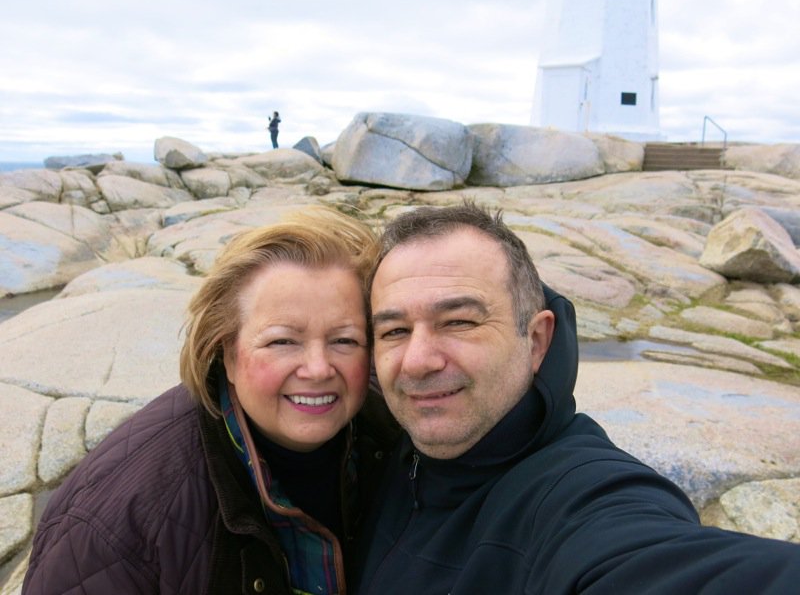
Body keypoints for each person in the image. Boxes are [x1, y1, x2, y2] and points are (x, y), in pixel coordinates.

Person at [354, 202, 800, 594]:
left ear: (536, 340)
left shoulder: (581, 495)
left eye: (459, 322)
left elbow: (649, 561)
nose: (417, 361)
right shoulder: (383, 453)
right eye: (394, 331)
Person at [23, 207, 398, 594]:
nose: (318, 369)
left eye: (344, 340)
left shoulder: (396, 426)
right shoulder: (117, 523)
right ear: (228, 355)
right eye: (282, 341)